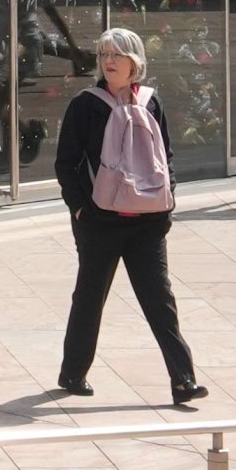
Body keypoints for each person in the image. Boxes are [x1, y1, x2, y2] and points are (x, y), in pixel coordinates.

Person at [47, 27, 205, 408]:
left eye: (117, 55)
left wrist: (168, 202)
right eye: (104, 55)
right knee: (90, 297)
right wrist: (81, 207)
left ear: (136, 62)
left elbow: (165, 158)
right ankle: (73, 372)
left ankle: (183, 380)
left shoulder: (152, 102)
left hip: (147, 222)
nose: (109, 62)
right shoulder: (85, 105)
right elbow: (65, 163)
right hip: (99, 221)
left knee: (160, 299)